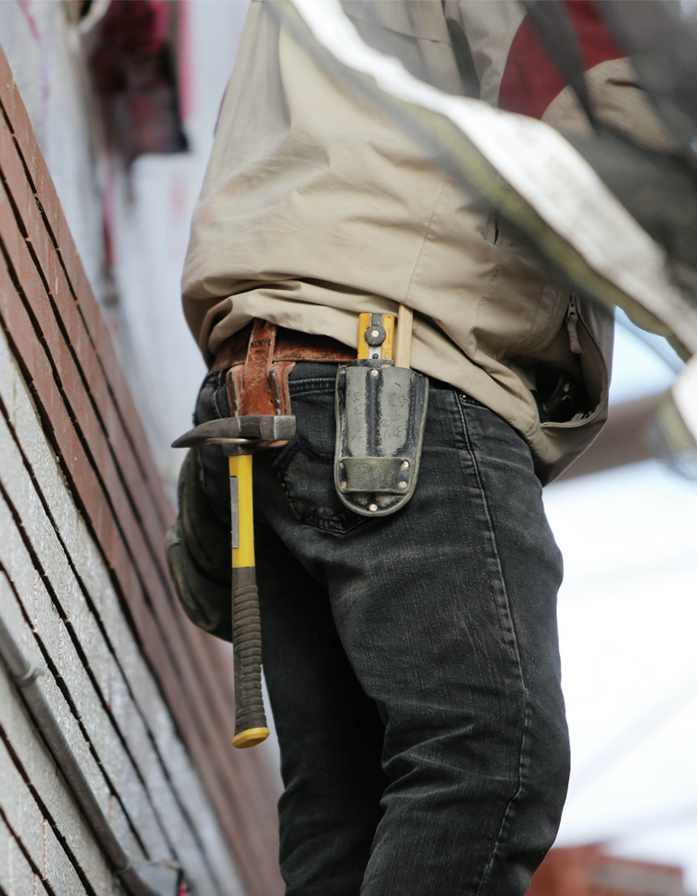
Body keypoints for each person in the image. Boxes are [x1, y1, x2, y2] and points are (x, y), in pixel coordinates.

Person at [176, 3, 674, 893]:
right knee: (492, 758)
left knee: (347, 813)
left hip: (274, 380)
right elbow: (607, 123)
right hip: (396, 377)